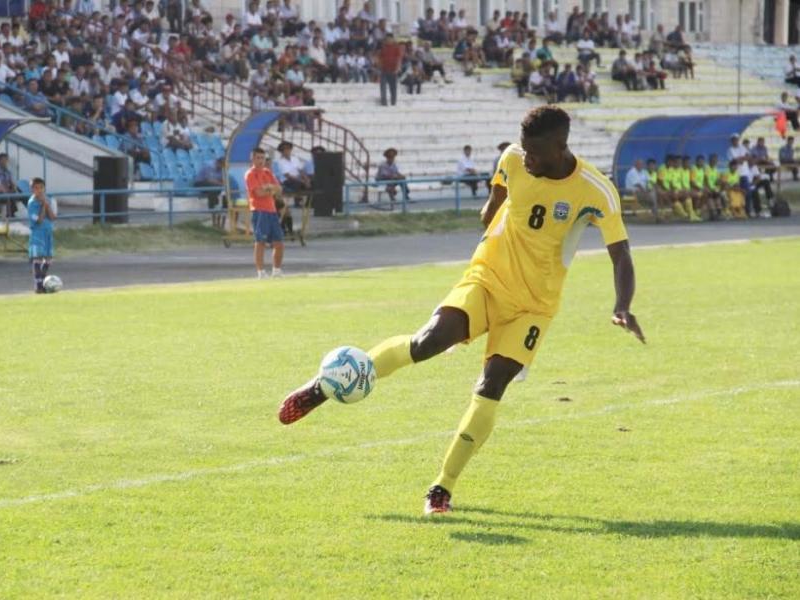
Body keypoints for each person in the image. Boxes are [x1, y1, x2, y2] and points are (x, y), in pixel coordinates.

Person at [277, 107, 645, 515]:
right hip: (486, 279)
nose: (526, 158)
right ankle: (323, 388)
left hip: (533, 307)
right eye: (524, 149)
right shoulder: (513, 158)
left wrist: (622, 306)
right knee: (427, 342)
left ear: (560, 147)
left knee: (491, 387)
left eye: (535, 153)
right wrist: (491, 214)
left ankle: (442, 487)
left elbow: (621, 253)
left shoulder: (595, 190)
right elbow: (495, 203)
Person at [244, 147, 284, 279]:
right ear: (252, 159)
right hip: (259, 210)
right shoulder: (250, 174)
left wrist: (268, 187)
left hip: (272, 210)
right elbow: (259, 193)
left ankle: (276, 270)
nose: (261, 161)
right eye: (258, 158)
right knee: (260, 241)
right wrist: (270, 189)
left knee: (278, 242)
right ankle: (261, 272)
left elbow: (279, 189)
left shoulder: (267, 172)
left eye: (262, 158)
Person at [27, 177, 56, 293]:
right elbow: (39, 220)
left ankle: (43, 282)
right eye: (36, 188)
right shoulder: (31, 203)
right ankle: (38, 285)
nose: (39, 190)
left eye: (41, 188)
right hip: (37, 234)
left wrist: (46, 204)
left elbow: (52, 217)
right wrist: (43, 205)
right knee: (37, 259)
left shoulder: (47, 199)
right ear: (32, 190)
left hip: (47, 233)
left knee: (48, 259)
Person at [195, 156, 227, 229]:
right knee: (213, 188)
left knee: (218, 192)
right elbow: (209, 180)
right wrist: (222, 184)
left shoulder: (221, 169)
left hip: (214, 186)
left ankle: (216, 213)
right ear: (218, 163)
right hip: (201, 182)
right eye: (222, 166)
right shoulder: (209, 166)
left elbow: (222, 179)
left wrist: (222, 183)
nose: (222, 168)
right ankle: (213, 210)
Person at [377, 33, 403, 107]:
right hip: (384, 70)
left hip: (393, 70)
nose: (388, 40)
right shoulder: (383, 47)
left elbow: (399, 58)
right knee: (383, 87)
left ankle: (393, 102)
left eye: (389, 39)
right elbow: (380, 58)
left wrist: (397, 68)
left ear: (392, 39)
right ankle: (384, 102)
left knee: (393, 88)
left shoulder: (396, 48)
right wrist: (379, 66)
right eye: (387, 39)